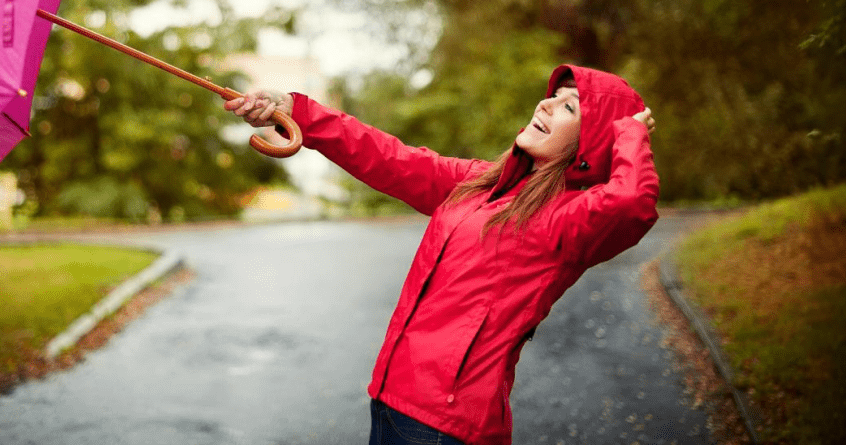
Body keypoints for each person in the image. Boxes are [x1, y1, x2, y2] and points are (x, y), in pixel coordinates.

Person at [224, 64, 659, 445]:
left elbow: (631, 203)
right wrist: (297, 111)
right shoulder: (478, 184)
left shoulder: (568, 218)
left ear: (593, 142)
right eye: (552, 97)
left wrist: (630, 132)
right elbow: (389, 156)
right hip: (392, 399)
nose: (546, 105)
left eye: (569, 107)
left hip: (446, 425)